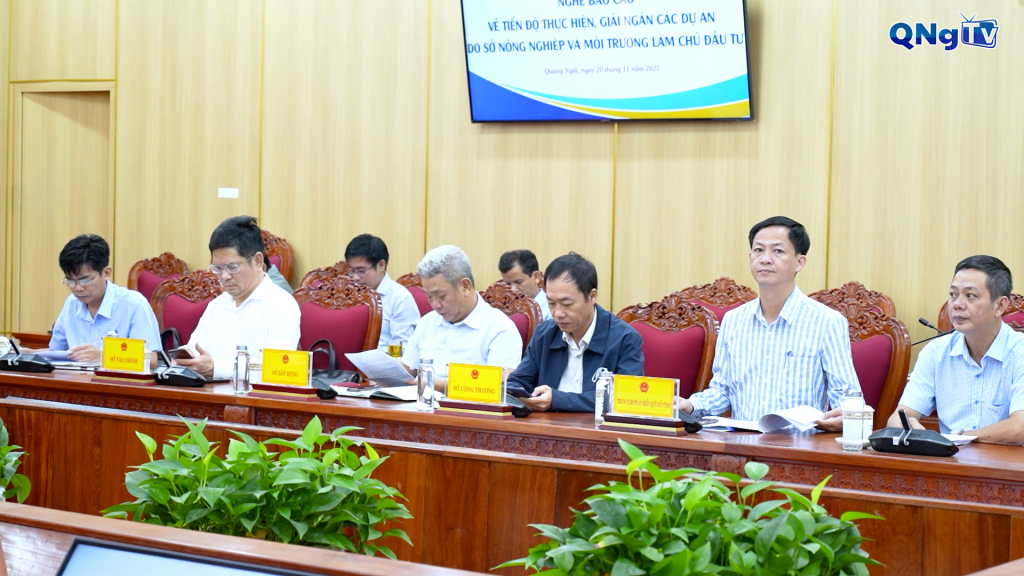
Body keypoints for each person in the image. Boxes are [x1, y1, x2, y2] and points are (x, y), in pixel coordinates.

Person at [675, 216, 860, 432]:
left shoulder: (827, 322)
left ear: (799, 262)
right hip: (742, 443)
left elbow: (848, 399)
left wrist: (846, 417)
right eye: (758, 250)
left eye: (778, 251)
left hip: (799, 445)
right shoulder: (733, 320)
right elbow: (722, 391)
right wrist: (691, 405)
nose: (765, 259)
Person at [887, 256, 1024, 444]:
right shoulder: (935, 352)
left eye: (970, 296)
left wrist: (958, 438)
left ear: (1000, 305)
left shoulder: (1020, 353)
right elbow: (899, 416)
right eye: (953, 294)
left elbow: (1019, 428)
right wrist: (907, 426)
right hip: (951, 460)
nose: (957, 304)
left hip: (1008, 461)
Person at [508, 253, 643, 412]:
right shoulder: (545, 334)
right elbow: (517, 382)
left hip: (596, 426)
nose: (558, 313)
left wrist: (557, 400)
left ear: (592, 296)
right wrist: (518, 394)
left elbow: (627, 398)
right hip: (545, 424)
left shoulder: (624, 338)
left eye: (567, 304)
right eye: (551, 303)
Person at [177, 216, 301, 379]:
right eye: (217, 268)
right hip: (207, 392)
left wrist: (217, 369)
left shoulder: (282, 305)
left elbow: (277, 369)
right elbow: (194, 351)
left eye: (232, 267)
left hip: (256, 394)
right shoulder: (216, 305)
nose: (224, 276)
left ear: (257, 261)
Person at [401, 245, 522, 387]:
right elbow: (406, 371)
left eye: (441, 296)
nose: (435, 305)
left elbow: (497, 386)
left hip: (466, 402)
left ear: (465, 286)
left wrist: (436, 385)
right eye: (429, 297)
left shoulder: (500, 328)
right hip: (420, 400)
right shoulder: (427, 322)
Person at [49, 234, 162, 363]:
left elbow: (151, 360)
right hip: (76, 375)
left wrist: (103, 356)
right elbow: (56, 352)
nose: (78, 288)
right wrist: (30, 354)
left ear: (106, 273)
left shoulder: (133, 304)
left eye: (85, 280)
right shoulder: (72, 303)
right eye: (70, 281)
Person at [345, 234, 420, 352]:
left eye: (361, 271)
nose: (355, 277)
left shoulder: (400, 298)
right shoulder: (346, 292)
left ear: (381, 265)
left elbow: (403, 349)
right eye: (351, 271)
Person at [499, 250, 551, 321]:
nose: (513, 289)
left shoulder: (550, 310)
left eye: (518, 282)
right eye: (508, 284)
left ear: (536, 277)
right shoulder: (502, 308)